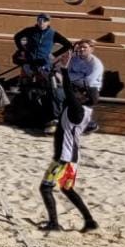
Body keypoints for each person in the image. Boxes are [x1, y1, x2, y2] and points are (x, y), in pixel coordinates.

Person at [38, 77, 99, 233]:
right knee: (67, 189)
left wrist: (65, 72)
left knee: (45, 188)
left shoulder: (77, 111)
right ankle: (90, 221)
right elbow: (68, 95)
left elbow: (68, 91)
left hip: (63, 159)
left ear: (85, 96)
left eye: (79, 91)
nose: (76, 92)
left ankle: (54, 224)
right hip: (72, 158)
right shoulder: (84, 110)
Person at [13, 13, 71, 79]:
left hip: (43, 63)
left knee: (45, 79)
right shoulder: (30, 30)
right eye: (40, 20)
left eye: (44, 20)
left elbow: (68, 45)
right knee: (25, 80)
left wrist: (54, 55)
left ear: (48, 22)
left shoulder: (53, 34)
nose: (42, 22)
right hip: (29, 61)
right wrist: (22, 50)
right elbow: (17, 37)